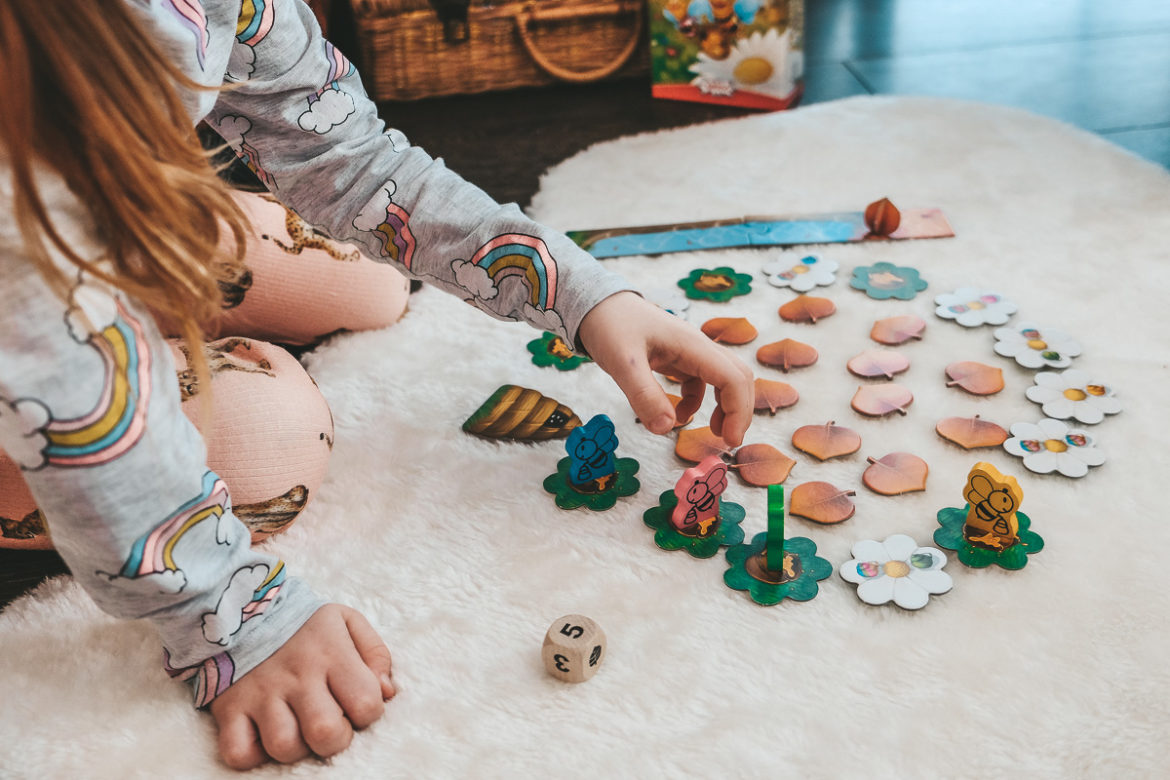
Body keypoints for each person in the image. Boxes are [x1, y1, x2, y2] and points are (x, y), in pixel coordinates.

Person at [0, 0, 754, 769]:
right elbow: (71, 386)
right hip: (29, 299)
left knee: (366, 284)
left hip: (74, 220)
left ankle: (123, 246)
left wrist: (587, 298)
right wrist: (226, 617)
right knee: (274, 435)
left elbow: (349, 157)